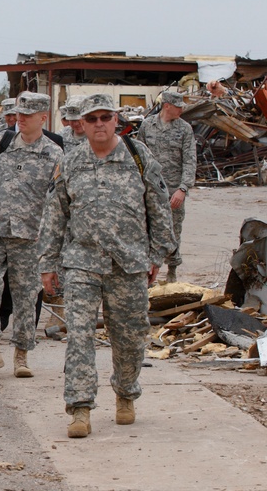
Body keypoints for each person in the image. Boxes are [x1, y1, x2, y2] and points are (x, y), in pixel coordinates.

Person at [38, 93, 175, 438]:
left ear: (116, 120)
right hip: (82, 263)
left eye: (105, 117)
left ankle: (126, 393)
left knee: (129, 338)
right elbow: (55, 215)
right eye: (92, 118)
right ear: (81, 125)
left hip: (128, 263)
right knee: (79, 337)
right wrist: (48, 262)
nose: (99, 124)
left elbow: (159, 207)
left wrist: (156, 255)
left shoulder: (138, 156)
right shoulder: (70, 162)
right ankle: (80, 408)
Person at [0, 92, 63, 377]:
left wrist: (48, 238)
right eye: (18, 114)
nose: (20, 120)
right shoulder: (2, 142)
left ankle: (21, 355)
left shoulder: (54, 153)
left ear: (43, 118)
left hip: (30, 238)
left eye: (27, 116)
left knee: (25, 298)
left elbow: (57, 200)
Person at [136, 90, 196, 283]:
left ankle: (172, 271)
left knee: (172, 230)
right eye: (178, 106)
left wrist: (183, 188)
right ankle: (149, 271)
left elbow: (189, 160)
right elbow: (138, 156)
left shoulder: (184, 129)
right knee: (147, 229)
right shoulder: (147, 125)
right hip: (149, 189)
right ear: (167, 106)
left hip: (172, 190)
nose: (181, 110)